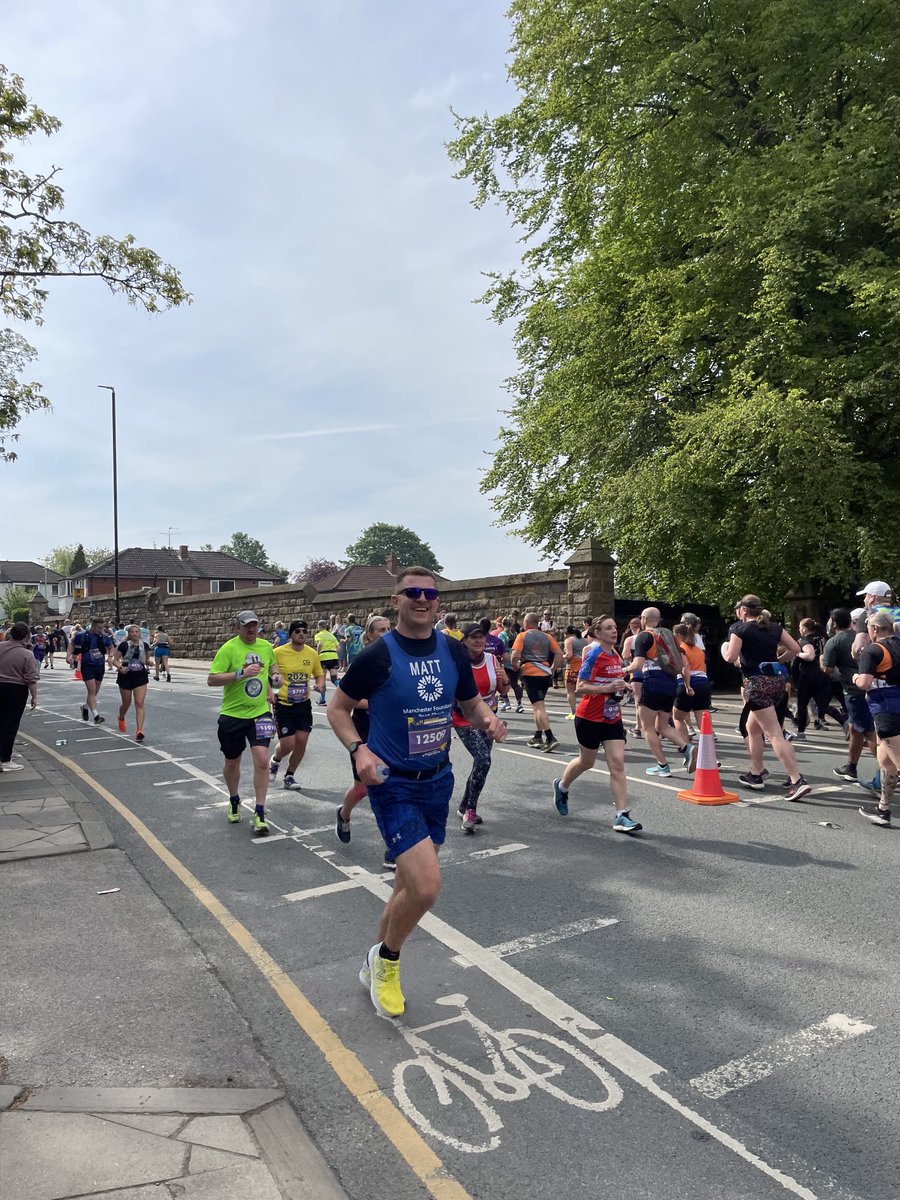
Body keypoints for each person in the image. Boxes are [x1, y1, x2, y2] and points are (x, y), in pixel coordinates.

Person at [328, 566, 506, 1019]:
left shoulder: (450, 648)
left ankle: (375, 956)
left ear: (438, 602)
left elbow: (469, 701)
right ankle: (387, 962)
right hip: (393, 783)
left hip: (438, 779)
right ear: (396, 600)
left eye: (430, 593)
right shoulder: (377, 655)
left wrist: (486, 718)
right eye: (413, 593)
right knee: (426, 888)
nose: (422, 599)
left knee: (406, 885)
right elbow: (337, 707)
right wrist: (359, 750)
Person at [552, 615, 639, 832]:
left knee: (617, 763)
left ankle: (621, 815)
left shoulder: (615, 655)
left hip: (611, 718)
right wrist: (607, 688)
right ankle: (561, 787)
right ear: (598, 633)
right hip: (589, 717)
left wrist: (622, 687)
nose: (614, 631)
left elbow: (613, 680)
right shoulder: (594, 654)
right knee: (586, 762)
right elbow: (581, 686)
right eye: (608, 628)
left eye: (615, 627)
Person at [721, 595, 811, 799]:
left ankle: (797, 780)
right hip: (776, 682)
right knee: (752, 728)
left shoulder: (739, 629)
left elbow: (731, 658)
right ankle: (756, 773)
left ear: (743, 610)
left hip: (756, 683)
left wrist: (724, 648)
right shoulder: (775, 628)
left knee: (774, 734)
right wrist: (778, 660)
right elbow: (796, 649)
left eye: (737, 609)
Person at [207, 610, 281, 835]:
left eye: (255, 625)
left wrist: (276, 680)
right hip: (233, 715)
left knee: (261, 760)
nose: (251, 630)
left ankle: (259, 812)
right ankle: (234, 798)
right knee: (232, 762)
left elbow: (273, 668)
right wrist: (241, 673)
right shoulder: (229, 649)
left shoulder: (266, 647)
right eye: (247, 626)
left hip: (259, 713)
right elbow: (212, 679)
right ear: (238, 627)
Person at [334, 614, 392, 851]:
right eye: (381, 630)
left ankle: (394, 848)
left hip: (390, 731)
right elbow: (347, 702)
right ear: (369, 636)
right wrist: (379, 703)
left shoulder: (398, 661)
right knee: (363, 788)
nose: (386, 633)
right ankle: (344, 814)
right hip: (364, 729)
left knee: (390, 786)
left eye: (389, 628)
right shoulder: (364, 662)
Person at [623, 608, 692, 777]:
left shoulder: (644, 636)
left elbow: (638, 664)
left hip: (652, 681)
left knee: (647, 727)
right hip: (671, 682)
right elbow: (683, 661)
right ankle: (687, 747)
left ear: (644, 619)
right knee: (662, 725)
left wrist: (622, 670)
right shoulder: (669, 635)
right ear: (659, 619)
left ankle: (663, 765)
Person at [453, 623, 509, 832]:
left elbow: (503, 691)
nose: (478, 641)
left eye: (482, 637)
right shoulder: (458, 662)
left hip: (489, 717)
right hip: (464, 718)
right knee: (483, 759)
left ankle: (463, 805)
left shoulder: (492, 659)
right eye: (473, 637)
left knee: (480, 763)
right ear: (465, 640)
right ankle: (470, 810)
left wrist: (505, 680)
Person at [852, 610, 900, 827]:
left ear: (875, 629)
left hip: (886, 711)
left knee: (897, 763)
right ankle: (883, 809)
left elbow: (863, 682)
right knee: (886, 763)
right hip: (891, 707)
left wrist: (854, 677)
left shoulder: (873, 650)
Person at [268, 620, 324, 791]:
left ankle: (289, 776)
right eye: (298, 631)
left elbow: (319, 674)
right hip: (283, 704)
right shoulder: (277, 652)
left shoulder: (312, 653)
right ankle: (276, 760)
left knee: (301, 742)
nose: (301, 634)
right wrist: (271, 691)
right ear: (291, 634)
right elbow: (269, 676)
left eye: (304, 631)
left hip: (303, 704)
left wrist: (320, 685)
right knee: (288, 744)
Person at [824, 608, 877, 782]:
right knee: (855, 729)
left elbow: (828, 669)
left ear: (833, 622)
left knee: (869, 731)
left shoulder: (834, 642)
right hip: (871, 687)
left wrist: (821, 663)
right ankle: (851, 767)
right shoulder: (862, 637)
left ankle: (892, 768)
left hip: (853, 691)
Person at [511, 613, 564, 752]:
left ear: (526, 622)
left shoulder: (522, 636)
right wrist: (552, 669)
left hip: (530, 673)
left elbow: (515, 655)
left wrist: (515, 666)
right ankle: (538, 736)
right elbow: (559, 654)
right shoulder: (547, 636)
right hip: (545, 673)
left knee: (539, 707)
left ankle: (550, 737)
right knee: (537, 705)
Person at [793, 618, 843, 738]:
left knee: (802, 704)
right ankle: (844, 722)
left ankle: (801, 732)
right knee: (823, 705)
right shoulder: (821, 639)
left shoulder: (804, 641)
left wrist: (798, 654)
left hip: (807, 676)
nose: (799, 629)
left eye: (800, 626)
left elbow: (809, 656)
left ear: (804, 628)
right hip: (820, 675)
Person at [0, 622, 39, 771]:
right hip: (15, 690)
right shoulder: (26, 654)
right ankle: (5, 760)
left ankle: (4, 754)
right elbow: (31, 678)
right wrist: (34, 697)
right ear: (26, 636)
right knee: (10, 725)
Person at [672, 621, 710, 762]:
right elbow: (704, 667)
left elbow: (685, 668)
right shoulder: (699, 651)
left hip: (688, 682)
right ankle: (709, 753)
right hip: (703, 682)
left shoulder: (681, 649)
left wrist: (687, 685)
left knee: (677, 717)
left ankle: (688, 750)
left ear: (678, 636)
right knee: (703, 721)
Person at [68, 616, 114, 724]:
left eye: (102, 628)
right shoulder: (82, 635)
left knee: (95, 691)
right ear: (93, 625)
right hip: (87, 665)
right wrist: (69, 655)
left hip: (99, 665)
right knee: (91, 690)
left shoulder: (104, 636)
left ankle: (85, 707)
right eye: (98, 627)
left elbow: (111, 647)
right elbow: (72, 644)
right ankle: (96, 715)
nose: (100, 630)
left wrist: (111, 656)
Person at [113, 624, 151, 740]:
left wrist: (150, 662)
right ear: (129, 634)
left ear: (139, 633)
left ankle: (139, 731)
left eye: (137, 631)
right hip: (126, 675)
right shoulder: (124, 645)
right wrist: (120, 667)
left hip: (140, 675)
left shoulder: (144, 645)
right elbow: (115, 660)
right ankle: (121, 717)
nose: (135, 634)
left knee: (139, 703)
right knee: (127, 703)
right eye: (132, 632)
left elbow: (146, 659)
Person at [620, 616, 644, 731]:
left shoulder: (630, 639)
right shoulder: (650, 637)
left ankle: (638, 727)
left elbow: (625, 655)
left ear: (631, 626)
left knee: (638, 701)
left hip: (637, 671)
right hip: (650, 671)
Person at [562, 625, 589, 719]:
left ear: (566, 633)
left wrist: (563, 656)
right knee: (586, 691)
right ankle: (586, 711)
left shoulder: (568, 640)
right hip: (584, 668)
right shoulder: (585, 640)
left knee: (570, 691)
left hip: (573, 668)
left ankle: (574, 713)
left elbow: (569, 655)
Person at [498, 617, 524, 712]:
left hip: (505, 661)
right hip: (514, 660)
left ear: (502, 624)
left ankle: (506, 702)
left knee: (501, 683)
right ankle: (519, 704)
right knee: (514, 684)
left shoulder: (502, 635)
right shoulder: (515, 634)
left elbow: (500, 648)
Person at [313, 620, 341, 702]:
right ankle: (342, 689)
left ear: (319, 626)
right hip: (333, 656)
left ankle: (322, 699)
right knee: (334, 679)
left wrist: (317, 654)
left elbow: (320, 644)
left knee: (323, 679)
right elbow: (338, 648)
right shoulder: (331, 635)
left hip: (324, 657)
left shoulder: (318, 635)